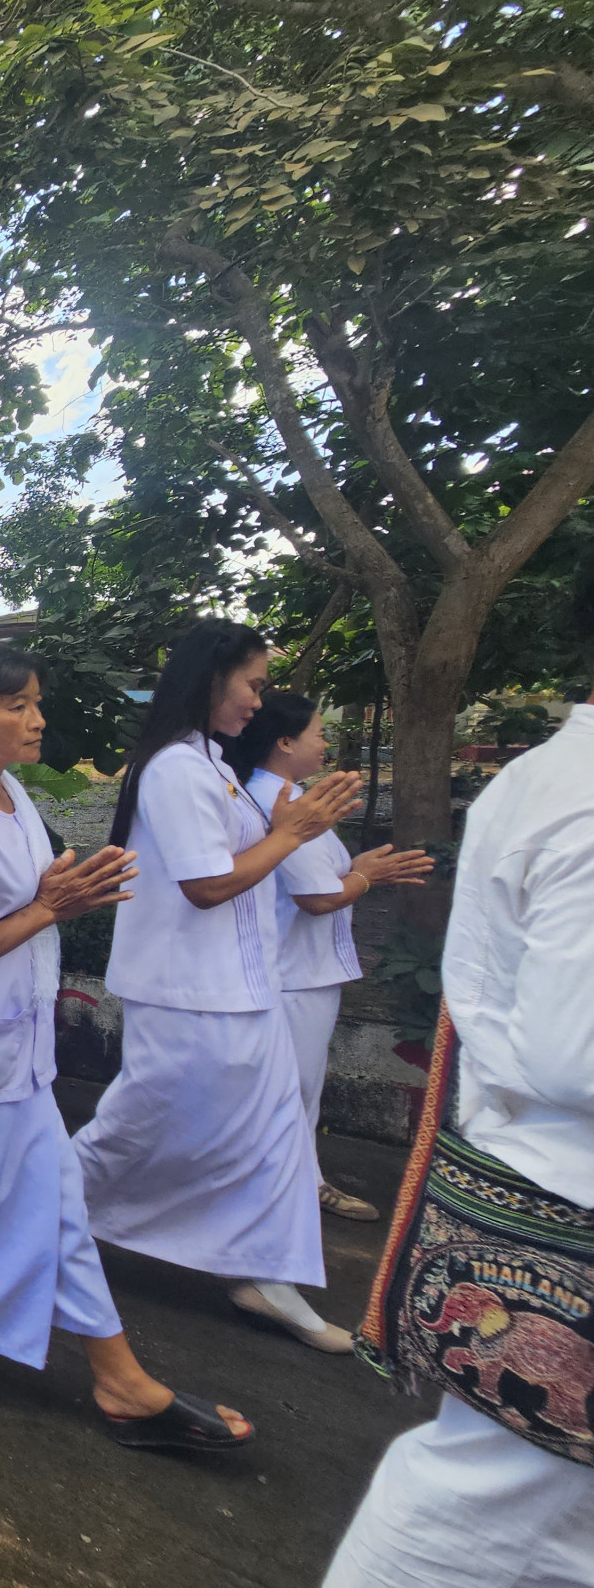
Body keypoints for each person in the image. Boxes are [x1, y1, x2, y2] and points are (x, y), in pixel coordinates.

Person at [0, 646, 252, 1450]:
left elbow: (17, 905)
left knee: (45, 1202)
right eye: (16, 706)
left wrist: (61, 894)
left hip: (2, 1051)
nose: (36, 720)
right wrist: (52, 907)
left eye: (35, 703)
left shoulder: (7, 792)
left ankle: (117, 1377)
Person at [323, 556, 594, 1586]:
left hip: (534, 1164)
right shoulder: (578, 800)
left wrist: (341, 865)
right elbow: (578, 1054)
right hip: (561, 1191)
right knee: (491, 1505)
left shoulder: (550, 784)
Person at [72, 620, 364, 1352]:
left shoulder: (212, 765)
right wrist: (292, 834)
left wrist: (288, 827)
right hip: (188, 993)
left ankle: (266, 1277)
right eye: (253, 685)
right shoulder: (175, 768)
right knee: (141, 1129)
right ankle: (30, 1206)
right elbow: (205, 885)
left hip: (243, 986)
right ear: (211, 679)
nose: (258, 702)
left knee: (275, 1137)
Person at [227, 693, 434, 1222]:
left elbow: (318, 880)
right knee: (291, 1091)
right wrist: (366, 877)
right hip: (292, 974)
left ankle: (295, 1185)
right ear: (285, 741)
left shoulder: (284, 796)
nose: (326, 742)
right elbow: (316, 898)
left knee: (297, 1090)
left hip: (299, 970)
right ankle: (289, 1193)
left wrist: (359, 870)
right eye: (318, 732)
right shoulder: (278, 802)